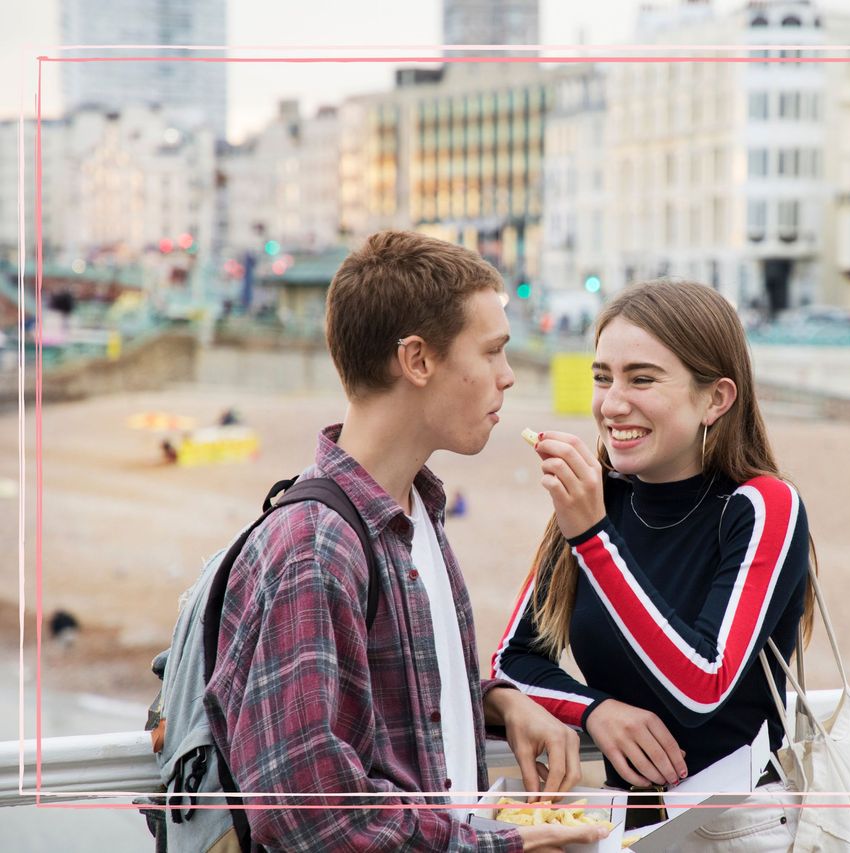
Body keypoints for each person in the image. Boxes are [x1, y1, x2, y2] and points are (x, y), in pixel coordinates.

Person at [204, 231, 608, 852]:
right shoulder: (314, 547)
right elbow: (308, 814)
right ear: (417, 360)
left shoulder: (414, 509)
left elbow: (389, 694)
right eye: (493, 352)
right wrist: (507, 845)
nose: (507, 378)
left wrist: (500, 704)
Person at [493, 279, 816, 849]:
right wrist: (597, 711)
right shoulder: (601, 498)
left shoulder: (762, 505)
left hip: (739, 827)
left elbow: (701, 687)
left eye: (642, 379)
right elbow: (514, 660)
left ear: (716, 398)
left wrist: (593, 537)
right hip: (629, 827)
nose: (612, 403)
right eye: (602, 377)